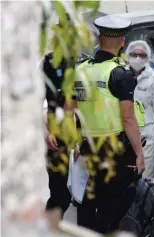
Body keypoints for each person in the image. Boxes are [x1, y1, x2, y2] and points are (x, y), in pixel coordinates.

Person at [64, 15, 145, 234]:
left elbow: (68, 110)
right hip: (115, 149)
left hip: (88, 146)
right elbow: (128, 118)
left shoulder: (79, 71)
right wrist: (139, 152)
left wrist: (74, 143)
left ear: (99, 38)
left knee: (89, 199)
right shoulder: (120, 73)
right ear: (123, 42)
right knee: (114, 205)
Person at [41, 14, 90, 218]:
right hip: (56, 135)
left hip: (84, 135)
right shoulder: (47, 63)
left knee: (86, 195)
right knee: (59, 194)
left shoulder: (86, 63)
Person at [124, 40, 154, 183]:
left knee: (145, 179)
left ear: (148, 57)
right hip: (124, 135)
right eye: (134, 54)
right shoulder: (120, 76)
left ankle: (146, 205)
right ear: (127, 55)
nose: (138, 58)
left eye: (142, 55)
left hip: (148, 135)